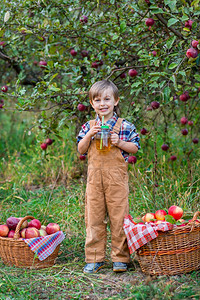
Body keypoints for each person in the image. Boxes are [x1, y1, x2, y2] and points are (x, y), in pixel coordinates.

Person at [77, 80, 140, 273]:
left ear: (116, 101)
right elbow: (80, 149)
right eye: (98, 100)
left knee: (119, 218)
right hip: (95, 181)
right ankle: (94, 258)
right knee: (93, 218)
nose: (102, 103)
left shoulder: (124, 126)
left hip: (116, 181)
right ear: (92, 103)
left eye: (107, 99)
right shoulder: (89, 126)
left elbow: (135, 149)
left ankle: (120, 258)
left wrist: (119, 142)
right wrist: (88, 136)